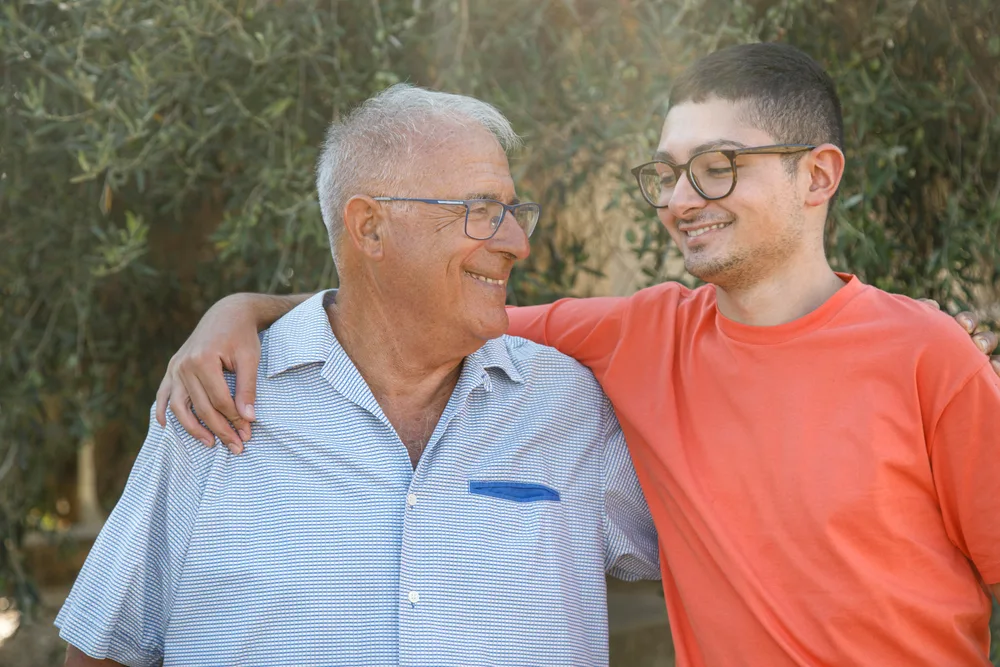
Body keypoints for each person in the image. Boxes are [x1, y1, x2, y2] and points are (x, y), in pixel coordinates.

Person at [159, 43, 1000, 665]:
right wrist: (244, 311)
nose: (680, 200)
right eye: (666, 173)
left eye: (717, 168)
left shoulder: (927, 353)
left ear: (817, 176)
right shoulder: (641, 335)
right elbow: (424, 307)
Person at [56, 85, 659, 667]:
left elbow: (711, 554)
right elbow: (105, 649)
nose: (517, 243)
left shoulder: (570, 405)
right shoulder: (216, 404)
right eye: (480, 210)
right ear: (369, 227)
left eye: (513, 212)